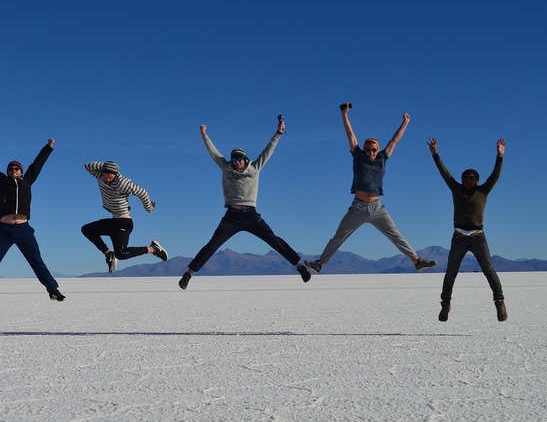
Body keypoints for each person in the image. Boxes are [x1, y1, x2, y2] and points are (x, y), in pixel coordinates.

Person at [179, 117, 311, 290]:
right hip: (231, 217)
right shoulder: (226, 167)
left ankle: (299, 266)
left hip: (250, 215)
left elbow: (268, 151)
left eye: (238, 160)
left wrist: (279, 132)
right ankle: (189, 273)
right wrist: (204, 135)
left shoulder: (255, 168)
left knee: (274, 240)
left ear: (244, 159)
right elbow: (213, 153)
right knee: (212, 245)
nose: (235, 163)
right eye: (233, 160)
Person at [306, 104, 436, 274]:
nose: (371, 152)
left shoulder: (383, 158)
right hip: (358, 207)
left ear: (377, 149)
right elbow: (350, 134)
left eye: (374, 149)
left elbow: (394, 140)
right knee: (339, 236)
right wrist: (344, 113)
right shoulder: (358, 156)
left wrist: (405, 122)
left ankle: (417, 262)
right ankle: (320, 264)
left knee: (396, 236)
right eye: (368, 149)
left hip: (377, 208)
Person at [0, 140, 64, 309]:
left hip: (24, 229)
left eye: (17, 168)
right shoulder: (2, 181)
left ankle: (52, 289)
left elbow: (38, 163)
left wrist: (48, 147)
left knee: (36, 261)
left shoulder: (28, 180)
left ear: (21, 171)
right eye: (11, 168)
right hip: (4, 230)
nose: (14, 171)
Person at [428, 137, 507, 322]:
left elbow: (495, 175)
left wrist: (500, 157)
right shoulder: (456, 189)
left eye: (472, 178)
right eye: (465, 177)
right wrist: (435, 155)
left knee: (489, 270)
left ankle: (500, 302)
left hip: (479, 237)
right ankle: (445, 305)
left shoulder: (483, 191)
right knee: (451, 272)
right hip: (459, 238)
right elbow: (445, 174)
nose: (468, 180)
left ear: (477, 181)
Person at [82, 161, 167, 274]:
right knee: (87, 229)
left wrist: (149, 208)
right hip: (113, 222)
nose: (107, 181)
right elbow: (87, 166)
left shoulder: (122, 183)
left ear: (115, 175)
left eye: (110, 178)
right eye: (105, 177)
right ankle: (108, 254)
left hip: (124, 223)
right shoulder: (99, 176)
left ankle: (153, 249)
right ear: (101, 173)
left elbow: (142, 192)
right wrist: (105, 165)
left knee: (121, 254)